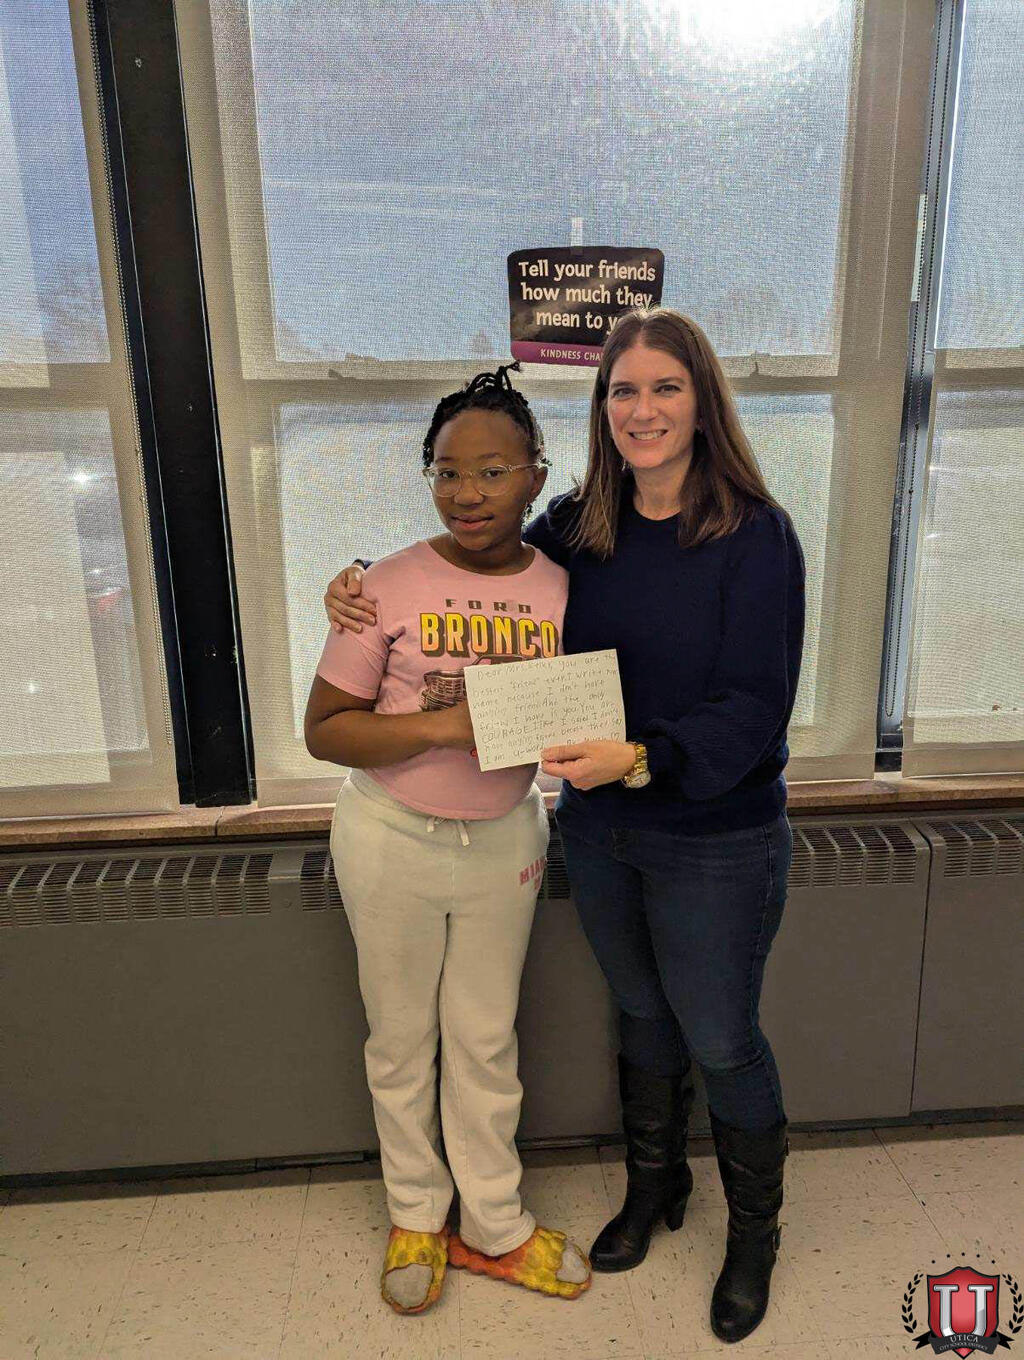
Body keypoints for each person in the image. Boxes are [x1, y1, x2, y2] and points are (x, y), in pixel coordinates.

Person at [325, 308, 805, 1344]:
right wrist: (355, 580)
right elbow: (476, 555)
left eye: (665, 387)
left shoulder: (754, 533)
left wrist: (642, 758)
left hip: (715, 833)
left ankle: (753, 1236)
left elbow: (755, 704)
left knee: (721, 1035)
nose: (643, 409)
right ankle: (655, 1187)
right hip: (599, 827)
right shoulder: (579, 528)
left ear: (702, 402)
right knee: (639, 1015)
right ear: (601, 409)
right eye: (623, 390)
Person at [305, 365, 591, 1316]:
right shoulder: (384, 585)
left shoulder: (564, 587)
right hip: (390, 834)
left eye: (493, 472)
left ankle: (496, 1227)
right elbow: (325, 731)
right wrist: (444, 726)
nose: (468, 494)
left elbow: (584, 705)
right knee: (399, 1039)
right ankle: (417, 1218)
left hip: (506, 836)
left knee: (484, 1040)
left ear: (536, 475)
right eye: (448, 472)